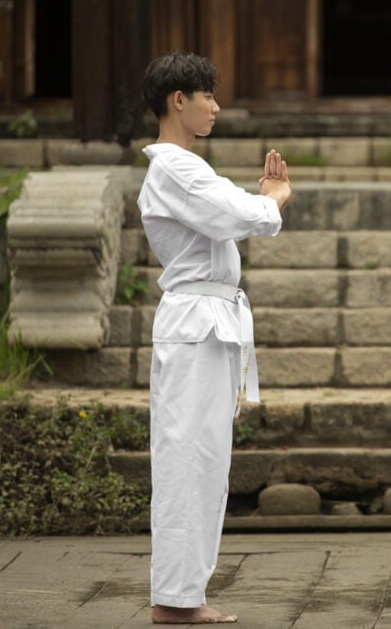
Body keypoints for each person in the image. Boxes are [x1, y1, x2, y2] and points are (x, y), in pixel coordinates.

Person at [138, 51, 292, 625]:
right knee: (188, 457)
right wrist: (272, 199)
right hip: (196, 323)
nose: (216, 107)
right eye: (208, 96)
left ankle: (184, 594)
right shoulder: (175, 168)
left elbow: (234, 211)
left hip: (208, 321)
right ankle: (176, 599)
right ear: (179, 100)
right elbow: (239, 215)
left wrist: (260, 202)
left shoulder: (186, 168)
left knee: (204, 459)